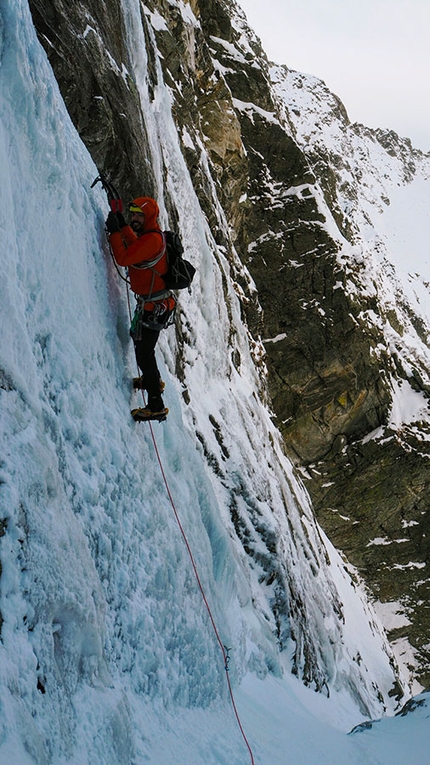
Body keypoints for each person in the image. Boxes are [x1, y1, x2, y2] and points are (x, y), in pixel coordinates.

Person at [106, 197, 176, 421]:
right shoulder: (150, 235)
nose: (135, 218)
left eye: (139, 216)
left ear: (149, 218)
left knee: (145, 352)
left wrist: (115, 233)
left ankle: (156, 404)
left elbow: (124, 257)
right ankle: (150, 379)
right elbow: (135, 244)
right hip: (154, 303)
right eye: (133, 214)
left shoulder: (153, 240)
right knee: (142, 346)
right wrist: (123, 226)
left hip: (155, 305)